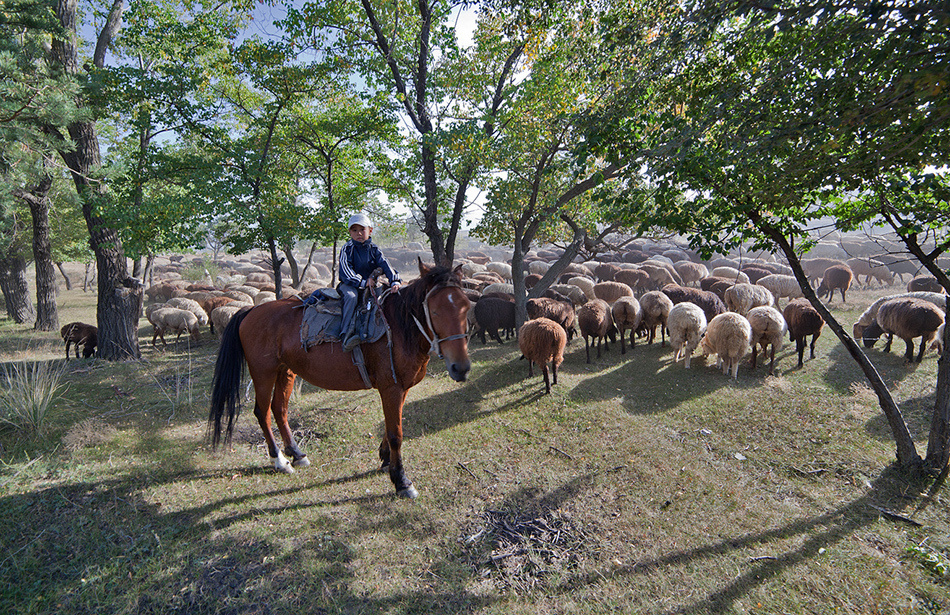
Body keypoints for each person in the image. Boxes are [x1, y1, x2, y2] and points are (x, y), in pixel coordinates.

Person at [339, 213, 401, 351]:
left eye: (362, 229)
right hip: (350, 285)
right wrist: (362, 282)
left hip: (371, 284)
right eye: (354, 230)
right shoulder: (347, 248)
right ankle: (346, 334)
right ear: (349, 232)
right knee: (351, 297)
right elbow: (346, 270)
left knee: (387, 299)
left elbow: (386, 265)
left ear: (370, 230)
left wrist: (394, 281)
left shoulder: (374, 249)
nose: (359, 233)